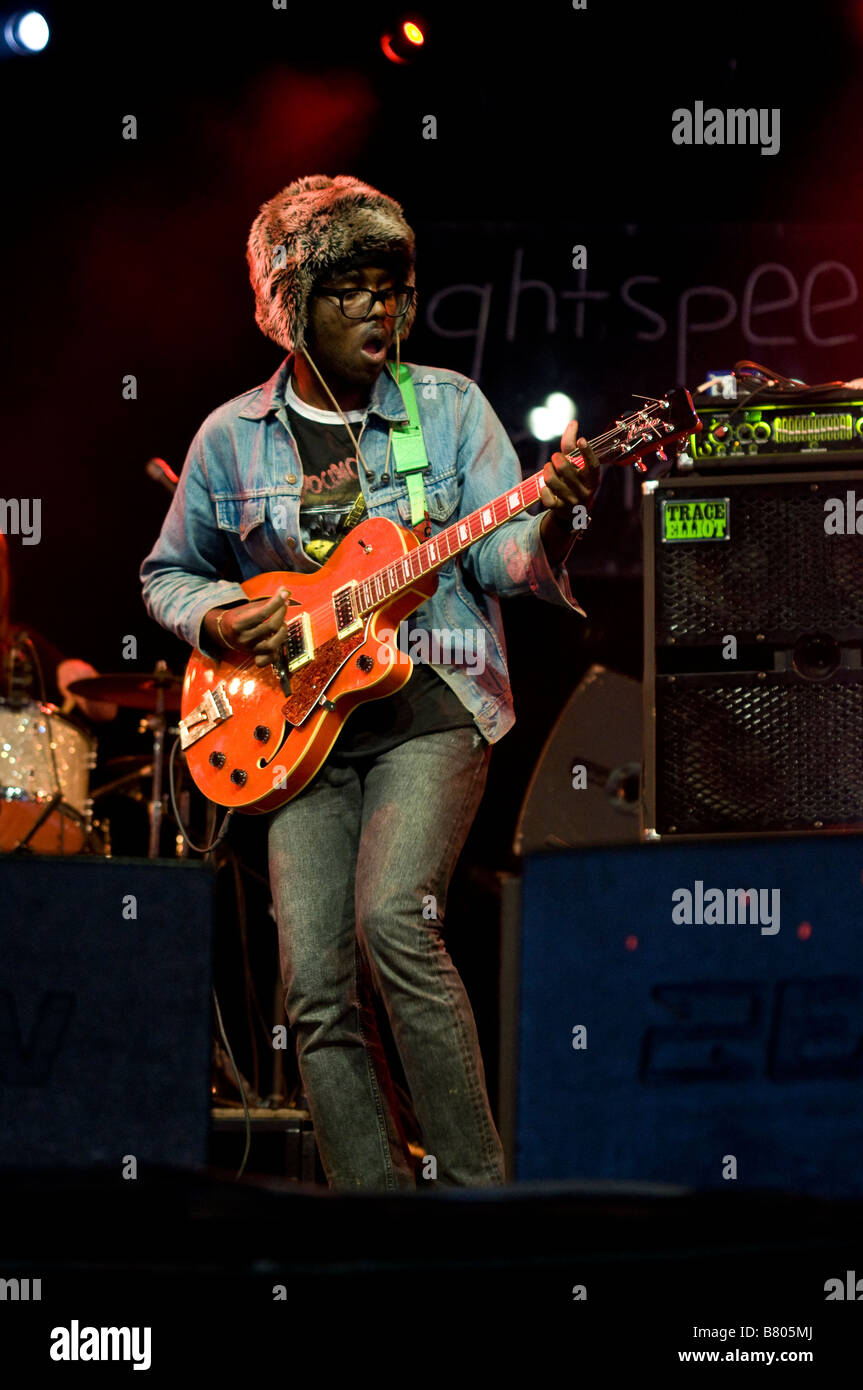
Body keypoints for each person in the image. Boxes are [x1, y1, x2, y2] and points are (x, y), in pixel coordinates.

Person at [140, 174, 601, 1190]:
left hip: (431, 709)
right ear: (288, 302)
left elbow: (502, 559)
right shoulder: (229, 437)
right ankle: (376, 1216)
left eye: (389, 287)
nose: (376, 309)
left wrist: (557, 510)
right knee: (311, 982)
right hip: (298, 736)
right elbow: (166, 575)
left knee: (394, 918)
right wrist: (221, 616)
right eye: (348, 288)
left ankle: (480, 1200)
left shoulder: (445, 409)